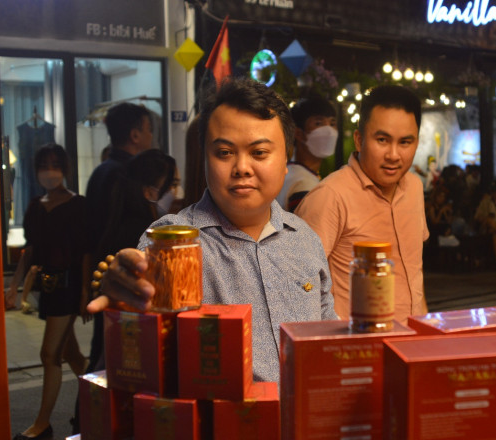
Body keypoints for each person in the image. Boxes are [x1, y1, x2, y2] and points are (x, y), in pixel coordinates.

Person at [87, 77, 337, 383]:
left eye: (259, 153)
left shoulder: (305, 240)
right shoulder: (174, 242)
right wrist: (125, 292)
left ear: (286, 159)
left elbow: (328, 338)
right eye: (224, 153)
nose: (242, 167)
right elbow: (139, 297)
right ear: (204, 159)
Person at [295, 84, 429, 322]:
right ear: (359, 140)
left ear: (417, 143)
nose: (393, 155)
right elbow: (298, 283)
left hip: (413, 340)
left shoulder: (415, 188)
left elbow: (414, 277)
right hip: (355, 349)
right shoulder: (330, 196)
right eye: (382, 140)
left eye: (405, 142)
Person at [7, 144, 90, 440]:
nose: (49, 171)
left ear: (65, 169)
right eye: (44, 165)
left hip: (69, 287)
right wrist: (14, 286)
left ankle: (42, 424)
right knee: (72, 354)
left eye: (55, 165)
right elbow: (30, 251)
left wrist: (84, 293)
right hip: (48, 287)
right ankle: (94, 406)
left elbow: (84, 253)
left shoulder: (78, 205)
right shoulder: (34, 206)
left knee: (49, 353)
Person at [83, 102, 153, 376]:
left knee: (101, 353)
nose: (151, 137)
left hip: (104, 275)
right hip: (125, 279)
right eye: (148, 130)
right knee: (114, 359)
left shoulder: (101, 171)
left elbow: (89, 234)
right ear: (135, 136)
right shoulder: (128, 175)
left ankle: (86, 414)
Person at [276, 96, 337, 212]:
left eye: (332, 123)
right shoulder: (303, 184)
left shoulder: (289, 172)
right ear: (299, 133)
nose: (329, 131)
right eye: (319, 123)